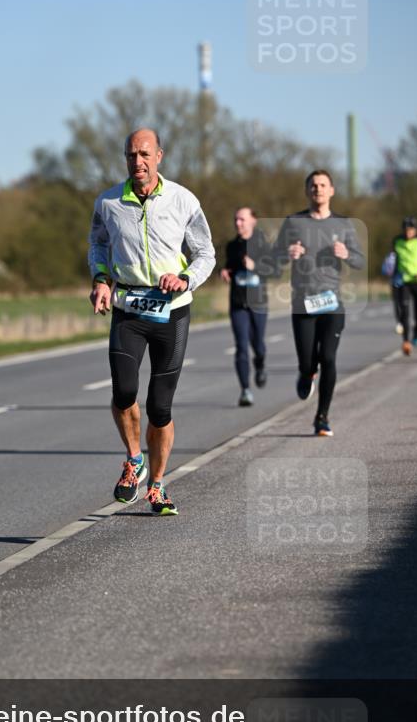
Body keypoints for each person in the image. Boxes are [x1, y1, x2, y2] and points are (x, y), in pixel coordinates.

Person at [88, 128, 216, 516]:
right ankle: (134, 460)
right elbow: (98, 245)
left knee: (160, 407)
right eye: (131, 156)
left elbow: (205, 253)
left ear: (159, 155)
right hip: (128, 305)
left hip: (171, 310)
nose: (137, 162)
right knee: (124, 390)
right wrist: (100, 279)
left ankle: (158, 486)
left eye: (144, 154)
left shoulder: (182, 200)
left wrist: (185, 278)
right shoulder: (108, 203)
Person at [274, 169, 364, 437]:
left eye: (323, 185)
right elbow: (274, 259)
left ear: (331, 190)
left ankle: (322, 416)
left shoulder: (344, 224)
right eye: (313, 185)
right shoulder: (293, 222)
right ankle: (305, 373)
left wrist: (347, 253)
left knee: (328, 357)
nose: (318, 189)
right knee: (307, 361)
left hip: (332, 301)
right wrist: (287, 253)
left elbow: (360, 261)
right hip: (303, 302)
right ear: (307, 190)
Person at [220, 207, 271, 407]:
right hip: (238, 303)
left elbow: (273, 269)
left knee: (258, 344)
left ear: (253, 221)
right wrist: (226, 272)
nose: (238, 223)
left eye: (242, 219)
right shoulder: (232, 245)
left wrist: (255, 266)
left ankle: (260, 364)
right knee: (241, 345)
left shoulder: (263, 244)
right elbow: (231, 266)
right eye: (236, 219)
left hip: (258, 303)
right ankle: (245, 390)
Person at [391, 218, 417, 353]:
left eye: (410, 230)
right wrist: (392, 271)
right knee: (404, 310)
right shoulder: (396, 241)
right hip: (403, 281)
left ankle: (415, 334)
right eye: (406, 229)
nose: (408, 232)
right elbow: (393, 258)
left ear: (415, 230)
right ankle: (406, 341)